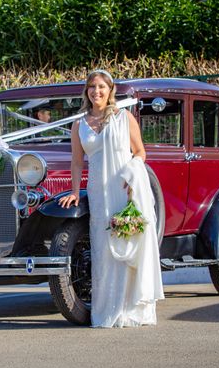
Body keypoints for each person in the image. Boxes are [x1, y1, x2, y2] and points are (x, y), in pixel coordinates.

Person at [59, 69, 164, 327]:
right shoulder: (79, 124)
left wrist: (132, 177)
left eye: (102, 87)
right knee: (104, 249)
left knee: (127, 244)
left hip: (123, 189)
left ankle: (130, 309)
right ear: (86, 91)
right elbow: (76, 162)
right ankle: (107, 311)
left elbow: (140, 152)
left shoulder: (124, 118)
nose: (97, 91)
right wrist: (74, 192)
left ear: (110, 90)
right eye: (92, 87)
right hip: (98, 192)